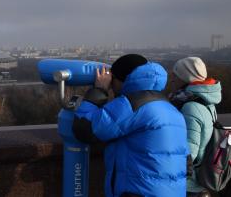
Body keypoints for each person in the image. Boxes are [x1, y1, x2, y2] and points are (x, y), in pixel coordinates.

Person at [72, 54, 189, 197]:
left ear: (122, 80)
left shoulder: (132, 104)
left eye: (112, 80)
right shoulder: (170, 108)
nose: (111, 86)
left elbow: (85, 129)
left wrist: (99, 91)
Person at [169, 57, 222, 197]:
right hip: (198, 180)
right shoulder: (206, 102)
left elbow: (189, 152)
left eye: (176, 74)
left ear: (186, 78)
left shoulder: (190, 107)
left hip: (188, 185)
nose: (172, 78)